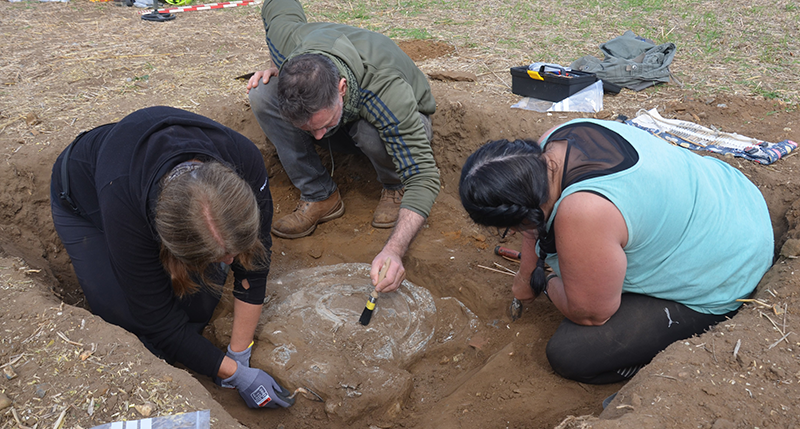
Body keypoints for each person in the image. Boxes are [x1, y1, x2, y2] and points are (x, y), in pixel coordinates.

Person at [459, 119, 773, 384]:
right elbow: (535, 218)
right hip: (735, 199)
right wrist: (525, 275)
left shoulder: (583, 212)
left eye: (509, 229)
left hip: (730, 268)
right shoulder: (554, 142)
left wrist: (547, 279)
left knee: (571, 352)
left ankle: (646, 368)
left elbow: (592, 314)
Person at [50, 106, 294, 409]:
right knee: (134, 330)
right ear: (170, 242)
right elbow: (157, 321)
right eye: (221, 255)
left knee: (199, 306)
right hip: (86, 202)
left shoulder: (243, 159)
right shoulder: (123, 207)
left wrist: (238, 355)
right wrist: (238, 375)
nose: (230, 262)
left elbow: (253, 267)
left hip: (141, 176)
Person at [246, 0, 439, 293]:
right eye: (310, 130)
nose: (319, 138)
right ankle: (320, 194)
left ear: (342, 88)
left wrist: (394, 250)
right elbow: (277, 5)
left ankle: (392, 185)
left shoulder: (385, 89)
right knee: (261, 94)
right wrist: (276, 65)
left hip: (400, 118)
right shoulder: (289, 41)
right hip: (341, 107)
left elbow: (424, 176)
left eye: (323, 125)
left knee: (369, 131)